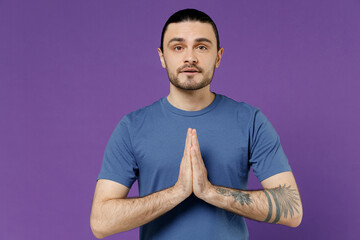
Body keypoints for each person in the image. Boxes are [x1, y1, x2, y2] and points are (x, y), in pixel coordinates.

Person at [90, 8, 303, 240]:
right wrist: (177, 192)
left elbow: (292, 210)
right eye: (178, 47)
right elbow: (101, 223)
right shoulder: (132, 127)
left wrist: (210, 192)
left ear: (218, 57)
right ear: (162, 57)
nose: (190, 57)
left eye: (201, 47)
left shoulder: (250, 121)